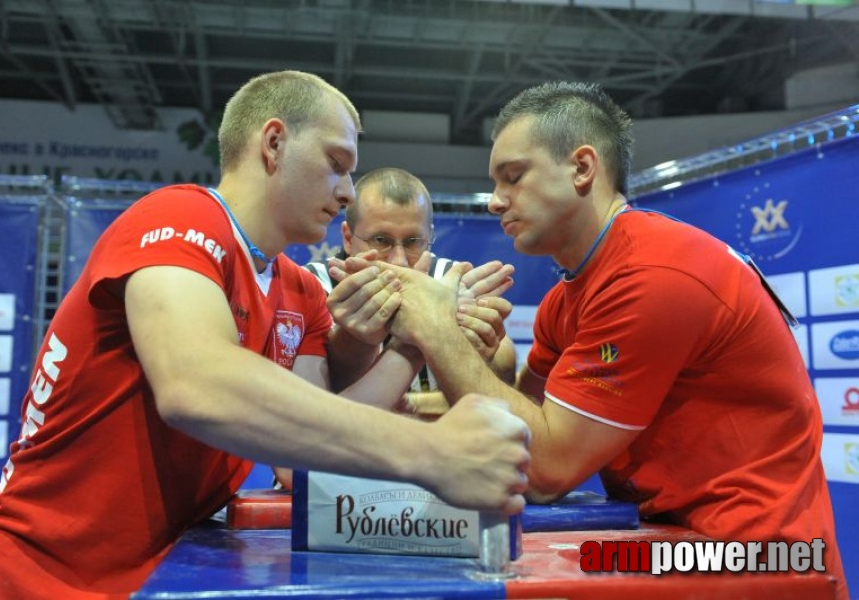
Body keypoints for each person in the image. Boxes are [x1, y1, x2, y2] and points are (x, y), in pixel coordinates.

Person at [0, 71, 531, 600]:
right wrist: (433, 451)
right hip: (36, 577)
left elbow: (299, 462)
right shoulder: (181, 218)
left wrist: (418, 338)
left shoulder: (299, 293)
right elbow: (196, 385)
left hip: (154, 576)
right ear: (274, 143)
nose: (349, 191)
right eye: (337, 163)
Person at [341, 81, 846, 598]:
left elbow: (545, 469)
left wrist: (434, 329)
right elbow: (523, 424)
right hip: (669, 538)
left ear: (582, 168)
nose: (495, 202)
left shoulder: (652, 274)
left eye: (513, 178)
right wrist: (458, 361)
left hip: (763, 556)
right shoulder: (568, 297)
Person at [305, 167, 517, 414]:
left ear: (430, 236)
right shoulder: (311, 286)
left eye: (413, 242)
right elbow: (307, 402)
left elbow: (504, 371)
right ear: (348, 238)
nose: (399, 261)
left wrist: (483, 347)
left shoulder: (451, 281)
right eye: (381, 241)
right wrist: (435, 327)